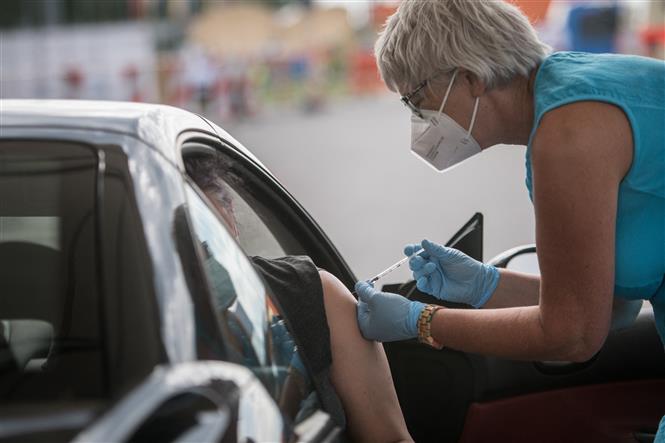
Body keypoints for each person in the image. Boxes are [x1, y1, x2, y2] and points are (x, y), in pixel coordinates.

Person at [354, 0, 665, 439]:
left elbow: (573, 335)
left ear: (471, 78)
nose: (418, 122)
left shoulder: (567, 134)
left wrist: (421, 320)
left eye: (417, 100)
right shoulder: (571, 93)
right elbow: (612, 307)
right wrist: (485, 284)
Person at [184, 155, 413, 443]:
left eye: (206, 232)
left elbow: (390, 438)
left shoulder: (310, 293)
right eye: (182, 237)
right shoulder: (142, 329)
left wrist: (428, 320)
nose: (201, 251)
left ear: (230, 213)